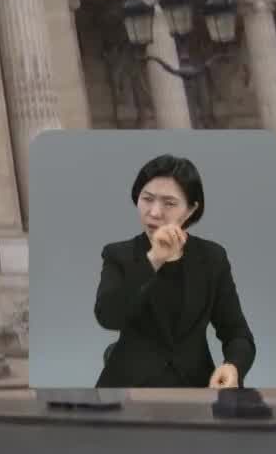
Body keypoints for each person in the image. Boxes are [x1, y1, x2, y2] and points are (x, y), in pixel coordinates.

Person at [94, 154, 255, 389]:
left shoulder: (212, 257)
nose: (154, 212)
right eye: (147, 199)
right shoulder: (118, 254)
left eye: (169, 203)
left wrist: (234, 366)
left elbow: (237, 332)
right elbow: (108, 316)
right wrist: (153, 261)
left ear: (190, 210)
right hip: (127, 389)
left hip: (196, 386)